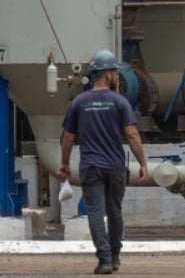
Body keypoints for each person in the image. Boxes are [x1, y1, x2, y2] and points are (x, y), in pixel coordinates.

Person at [58, 49, 150, 275]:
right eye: (115, 72)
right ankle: (115, 256)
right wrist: (143, 164)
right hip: (115, 166)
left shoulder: (79, 102)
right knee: (115, 211)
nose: (116, 75)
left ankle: (104, 260)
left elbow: (68, 136)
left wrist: (64, 163)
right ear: (108, 74)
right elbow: (132, 135)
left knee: (95, 212)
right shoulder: (119, 102)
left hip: (90, 166)